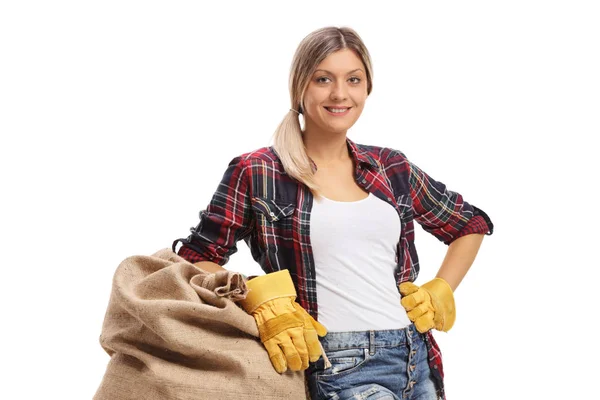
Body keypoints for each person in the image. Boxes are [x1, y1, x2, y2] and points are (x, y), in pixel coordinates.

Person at [172, 26, 493, 400]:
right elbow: (196, 259)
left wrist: (441, 289)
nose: (340, 94)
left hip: (415, 355)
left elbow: (469, 224)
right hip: (337, 362)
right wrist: (258, 295)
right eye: (323, 79)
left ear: (366, 89)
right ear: (300, 88)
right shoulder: (257, 171)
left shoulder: (390, 167)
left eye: (353, 80)